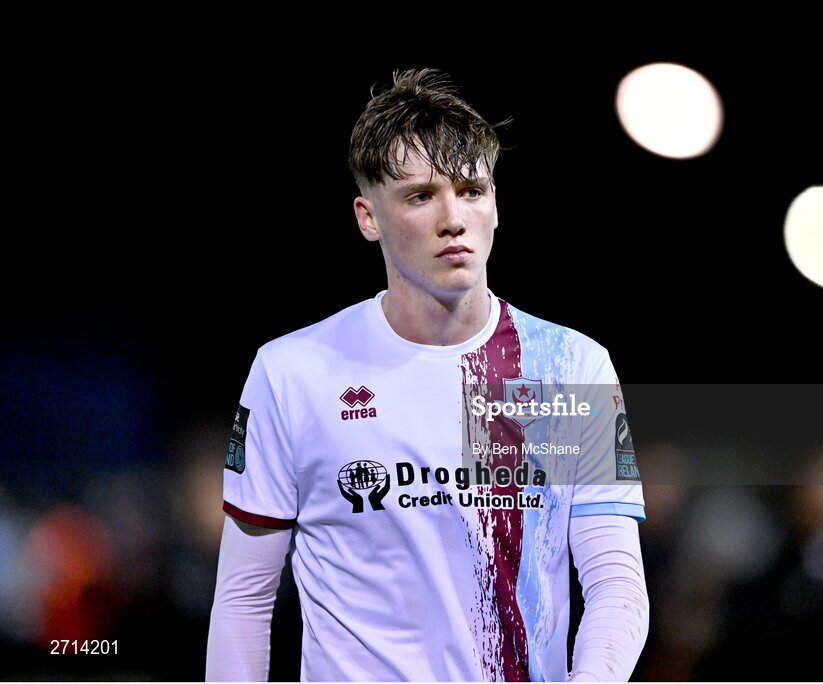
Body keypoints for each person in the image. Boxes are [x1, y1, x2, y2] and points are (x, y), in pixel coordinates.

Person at [206, 68, 648, 682]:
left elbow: (616, 583)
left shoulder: (572, 367)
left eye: (472, 190)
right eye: (421, 196)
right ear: (368, 217)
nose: (453, 217)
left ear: (496, 203)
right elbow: (243, 603)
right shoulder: (290, 373)